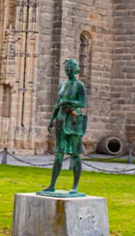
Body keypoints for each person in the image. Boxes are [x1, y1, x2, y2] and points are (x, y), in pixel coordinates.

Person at [41, 58, 87, 194]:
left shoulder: (79, 85)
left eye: (70, 67)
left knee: (75, 154)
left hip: (73, 119)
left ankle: (75, 186)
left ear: (75, 69)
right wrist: (51, 118)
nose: (67, 70)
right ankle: (52, 185)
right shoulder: (62, 84)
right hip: (61, 119)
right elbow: (57, 103)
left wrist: (68, 101)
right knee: (58, 154)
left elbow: (82, 103)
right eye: (66, 67)